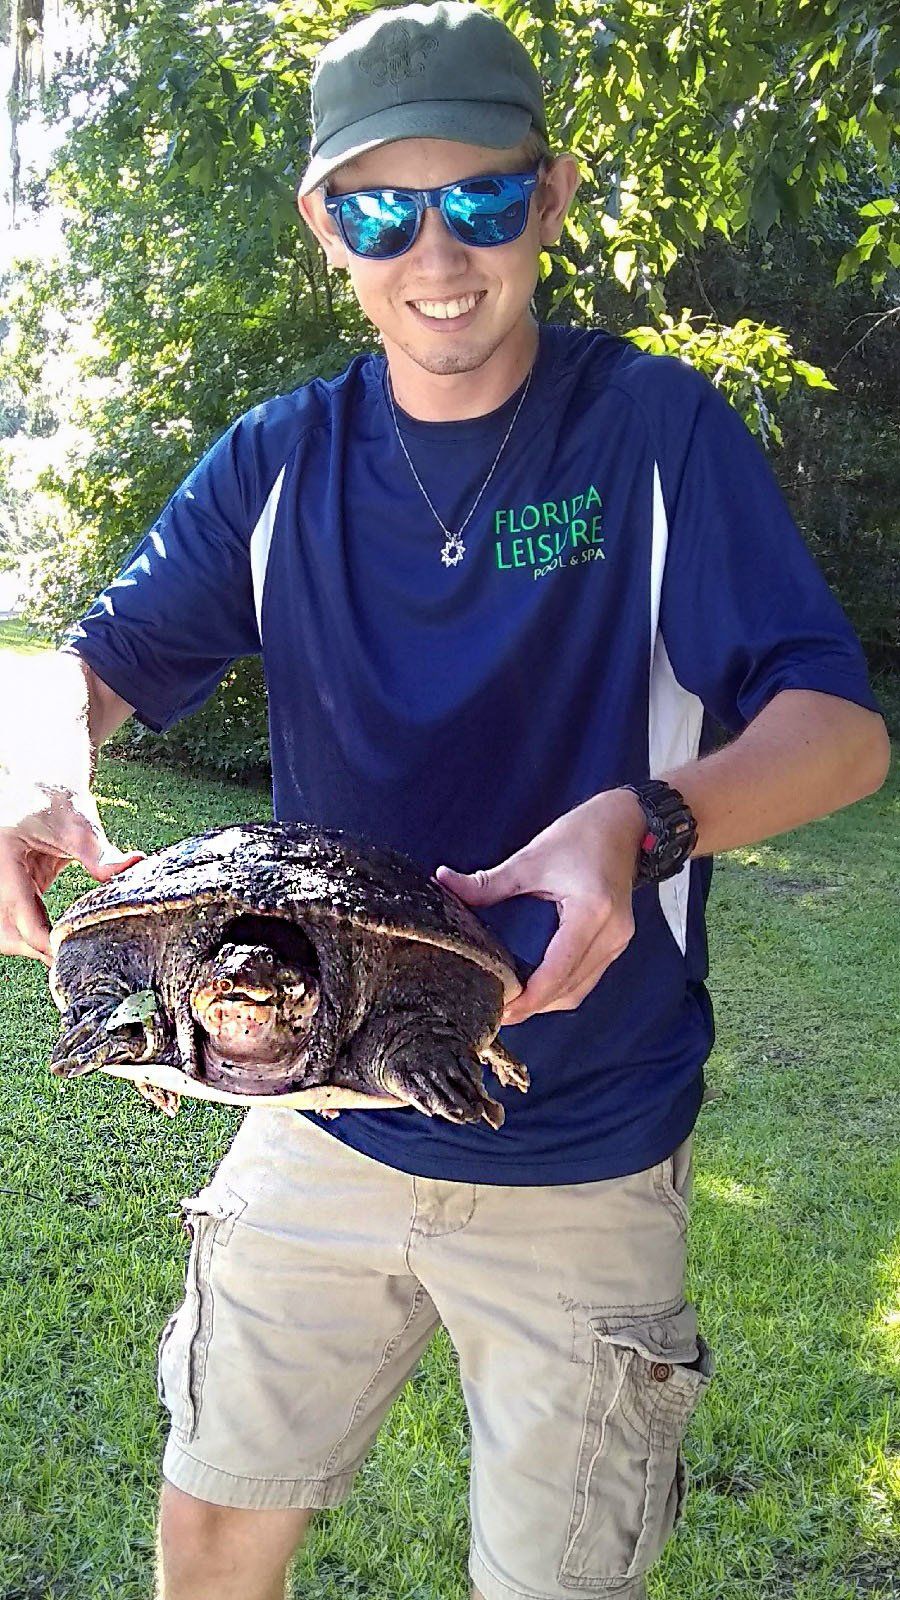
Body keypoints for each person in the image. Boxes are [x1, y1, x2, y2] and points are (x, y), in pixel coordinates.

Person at [0, 4, 890, 1598]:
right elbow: (90, 667)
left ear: (549, 195)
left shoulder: (654, 437)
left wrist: (648, 819)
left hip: (584, 1138)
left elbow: (838, 732)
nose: (437, 254)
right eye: (382, 212)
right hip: (315, 1114)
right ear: (324, 225)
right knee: (211, 1527)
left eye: (478, 197)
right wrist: (42, 762)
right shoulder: (281, 463)